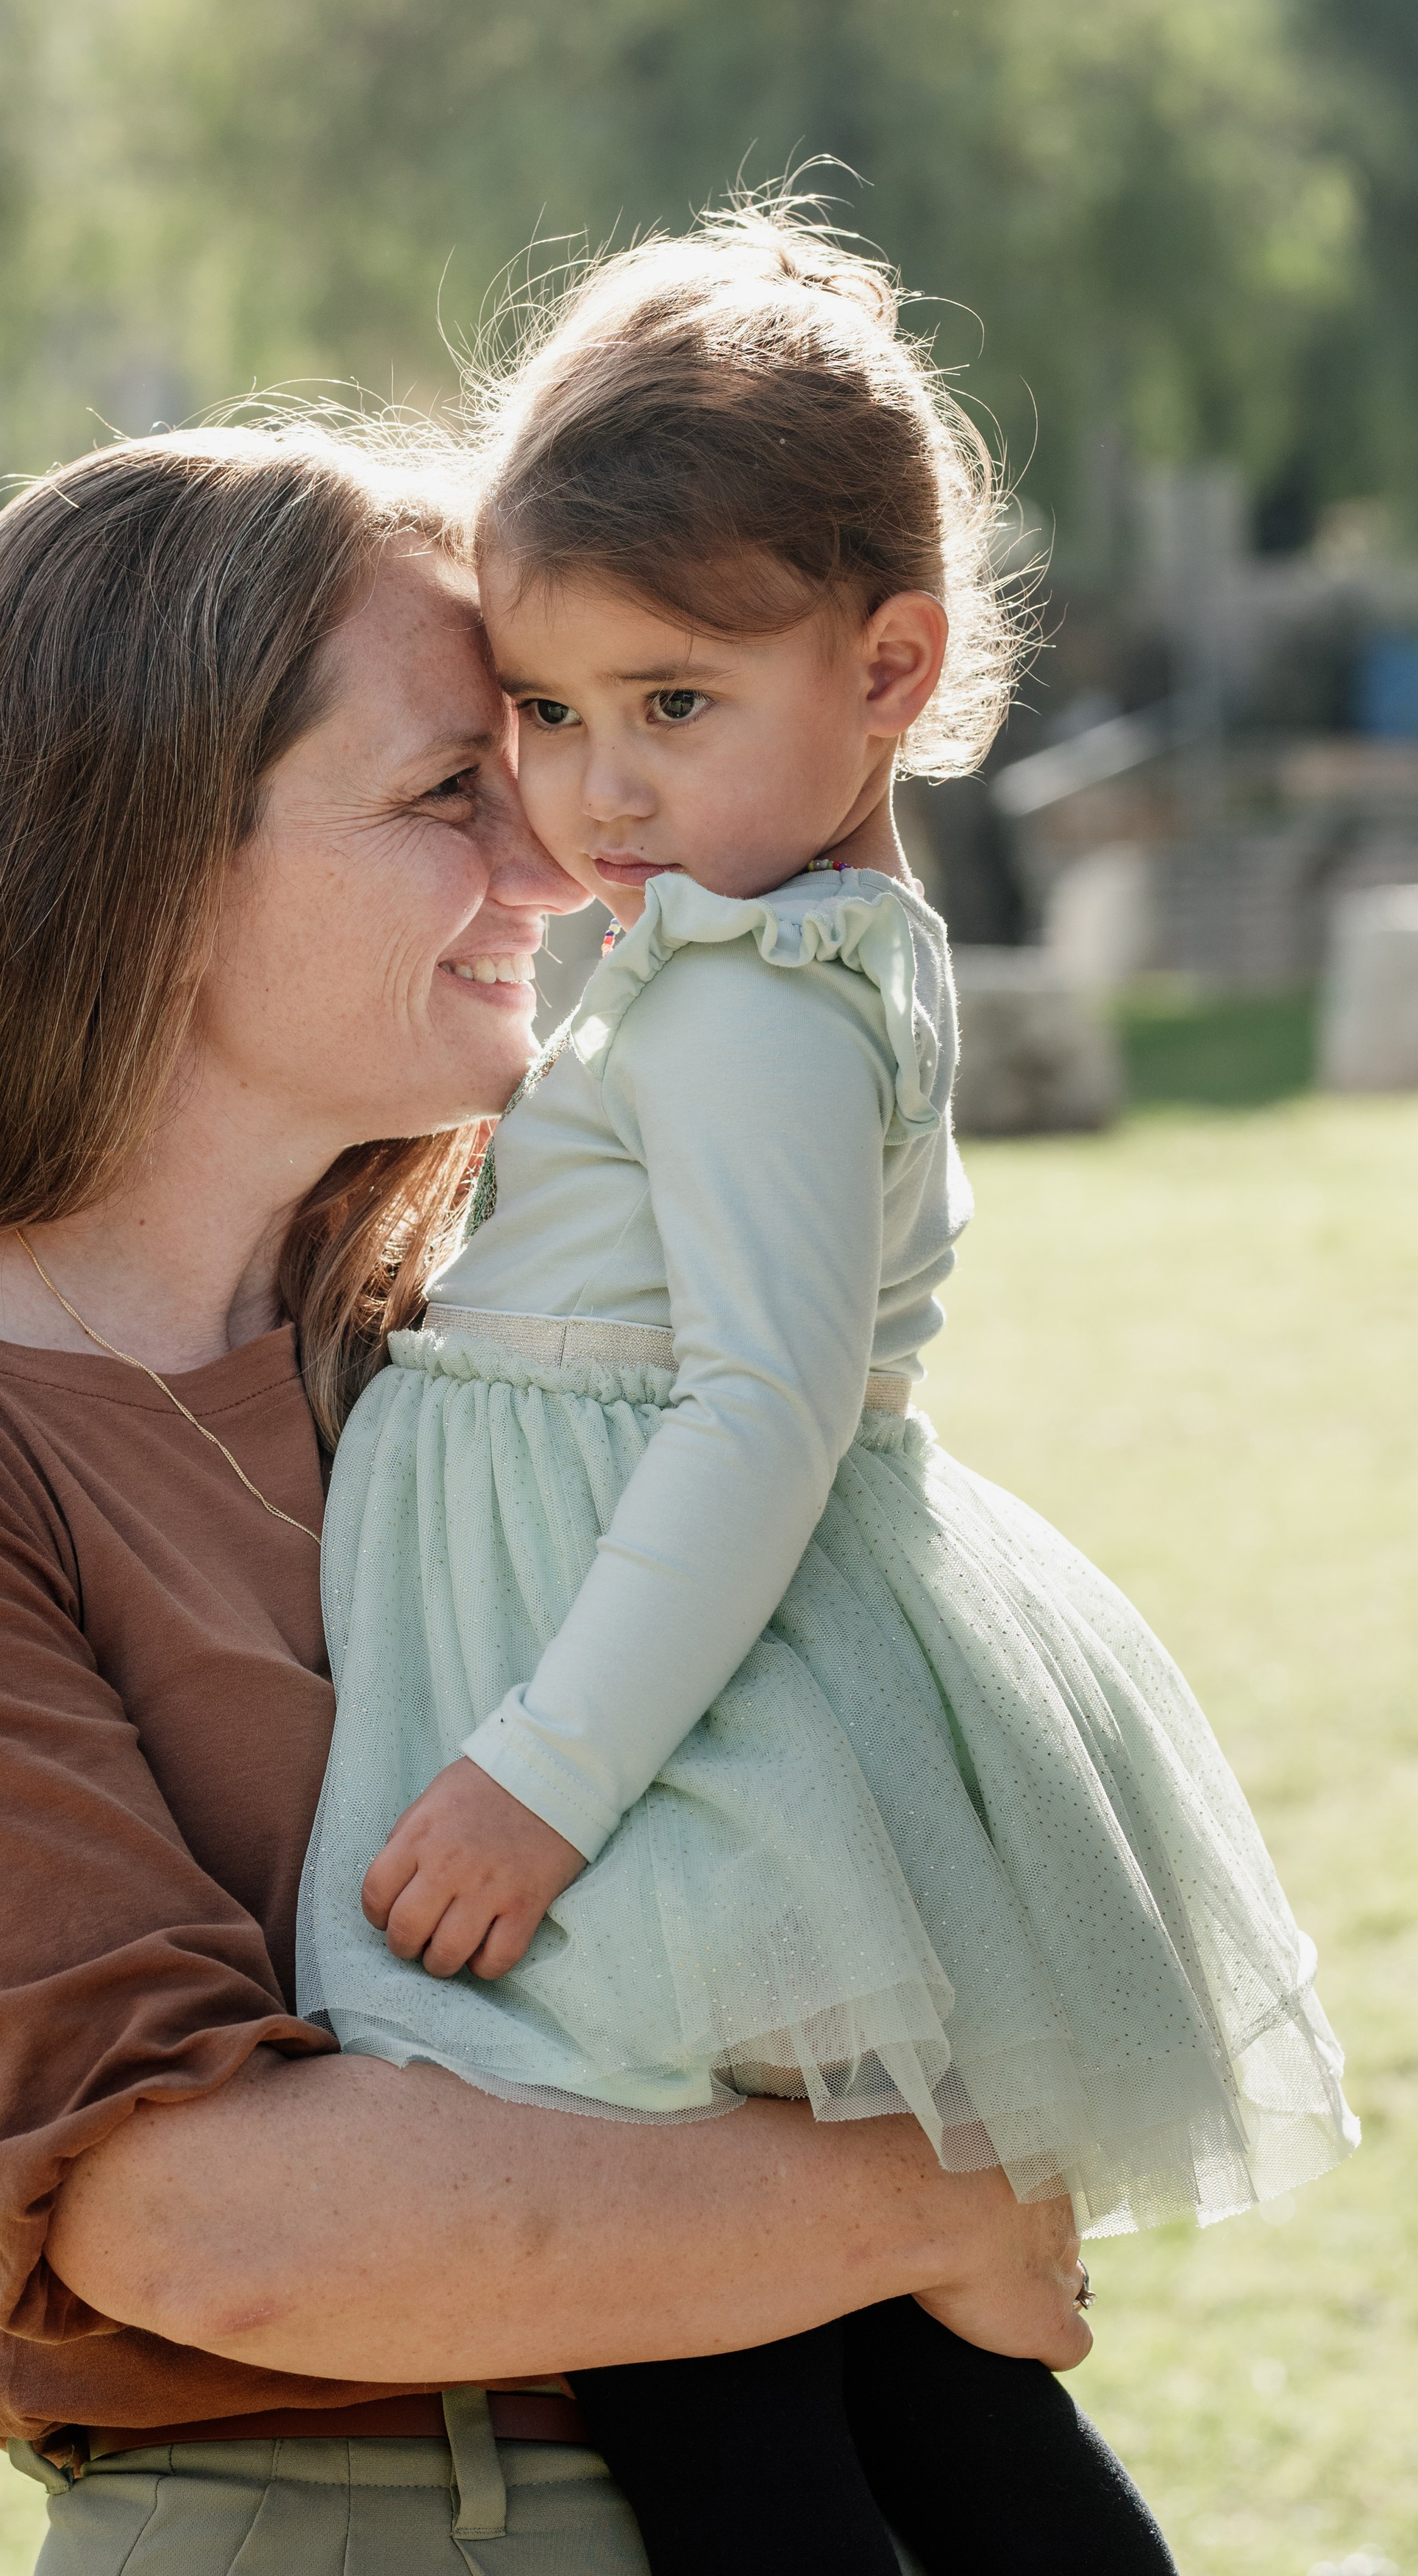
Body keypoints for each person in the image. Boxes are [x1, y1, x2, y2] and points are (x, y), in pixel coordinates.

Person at [0, 424, 1092, 2576]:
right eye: (454, 788)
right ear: (134, 858)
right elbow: (205, 2223)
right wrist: (918, 2199)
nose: (558, 850)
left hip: (853, 2466)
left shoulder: (507, 1347)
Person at [298, 208, 1361, 2575]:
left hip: (644, 1721)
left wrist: (534, 1787)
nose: (598, 793)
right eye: (547, 716)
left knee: (707, 2347)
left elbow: (762, 1406)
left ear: (890, 665)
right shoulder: (777, 941)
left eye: (673, 703)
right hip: (684, 1677)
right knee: (872, 2352)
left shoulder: (763, 1001)